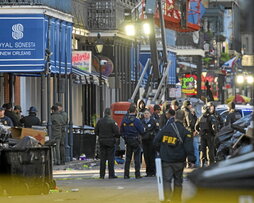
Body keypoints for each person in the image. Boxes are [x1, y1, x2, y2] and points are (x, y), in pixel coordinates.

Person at [153, 119, 195, 202]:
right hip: (179, 160)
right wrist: (191, 160)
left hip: (166, 159)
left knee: (166, 180)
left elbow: (155, 141)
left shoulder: (165, 129)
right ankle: (176, 199)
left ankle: (168, 199)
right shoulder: (185, 132)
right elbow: (189, 148)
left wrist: (161, 151)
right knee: (178, 181)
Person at [95, 108, 120, 179]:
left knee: (102, 158)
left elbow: (96, 131)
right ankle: (111, 174)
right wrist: (115, 137)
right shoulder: (112, 122)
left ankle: (102, 174)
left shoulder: (100, 121)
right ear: (110, 113)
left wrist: (101, 135)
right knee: (110, 159)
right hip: (110, 142)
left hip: (102, 141)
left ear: (104, 113)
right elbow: (117, 132)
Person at [121, 105, 144, 179]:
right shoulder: (137, 120)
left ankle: (126, 174)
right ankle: (137, 174)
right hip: (136, 140)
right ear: (135, 111)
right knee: (137, 157)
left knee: (128, 158)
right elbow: (142, 131)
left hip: (128, 140)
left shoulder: (124, 120)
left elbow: (121, 131)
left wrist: (125, 137)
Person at [141, 109, 159, 177]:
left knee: (152, 156)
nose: (146, 115)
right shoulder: (141, 121)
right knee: (146, 156)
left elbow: (157, 130)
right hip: (144, 141)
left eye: (147, 113)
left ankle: (153, 171)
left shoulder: (153, 121)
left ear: (150, 114)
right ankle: (148, 172)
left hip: (151, 140)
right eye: (145, 113)